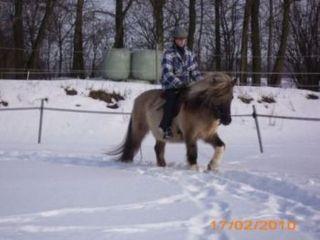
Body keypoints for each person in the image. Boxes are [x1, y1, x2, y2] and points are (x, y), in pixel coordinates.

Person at [159, 26, 203, 139]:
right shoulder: (168, 53)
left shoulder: (190, 54)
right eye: (179, 39)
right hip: (171, 85)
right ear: (174, 40)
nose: (182, 41)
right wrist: (179, 83)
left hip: (187, 85)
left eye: (183, 39)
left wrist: (202, 82)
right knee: (171, 101)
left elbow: (194, 71)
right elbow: (167, 73)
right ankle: (166, 127)